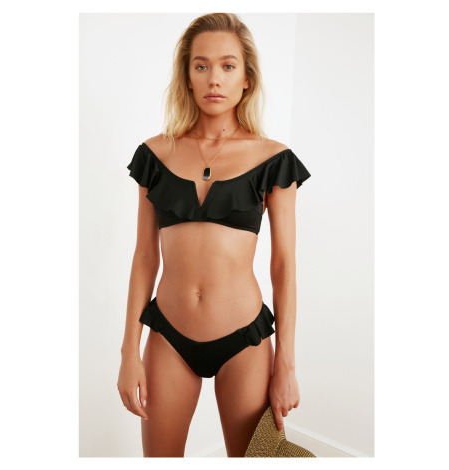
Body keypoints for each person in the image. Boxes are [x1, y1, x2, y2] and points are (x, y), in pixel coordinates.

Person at [117, 12, 311, 458]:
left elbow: (284, 266)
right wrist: (129, 351)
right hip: (168, 337)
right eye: (201, 66)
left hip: (244, 341)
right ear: (187, 77)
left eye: (228, 65)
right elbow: (144, 257)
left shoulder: (273, 159)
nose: (214, 79)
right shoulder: (155, 154)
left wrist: (286, 363)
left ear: (247, 79)